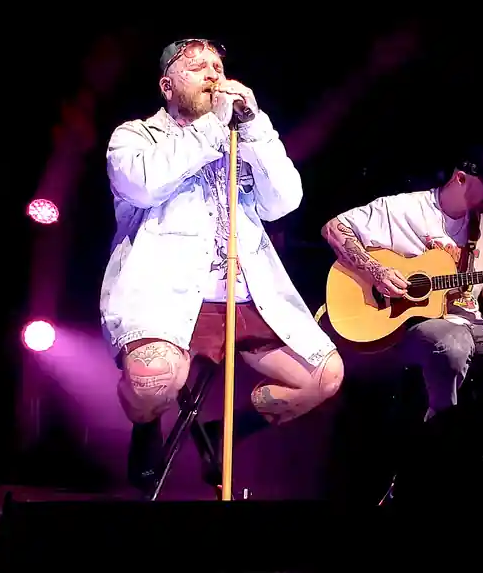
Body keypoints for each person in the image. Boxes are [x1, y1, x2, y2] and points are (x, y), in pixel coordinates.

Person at [100, 39, 343, 490]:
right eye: (197, 68)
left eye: (218, 66)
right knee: (154, 383)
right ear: (167, 86)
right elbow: (142, 186)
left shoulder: (240, 135)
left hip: (247, 294)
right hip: (167, 296)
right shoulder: (136, 136)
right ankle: (146, 423)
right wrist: (214, 126)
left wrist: (256, 128)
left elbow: (284, 202)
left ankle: (229, 429)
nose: (214, 74)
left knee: (324, 377)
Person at [321, 155, 483, 499]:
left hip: (474, 327)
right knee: (453, 340)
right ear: (460, 177)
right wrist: (378, 272)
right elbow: (334, 228)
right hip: (413, 327)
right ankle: (441, 448)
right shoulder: (404, 209)